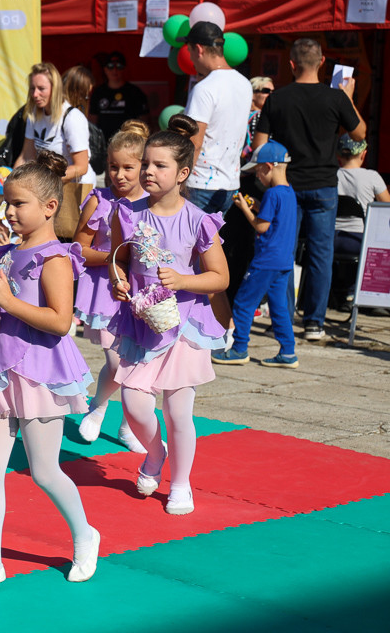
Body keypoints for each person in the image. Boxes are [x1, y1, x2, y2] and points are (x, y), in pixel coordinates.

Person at [0, 153, 99, 591]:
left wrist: (5, 300)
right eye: (7, 202)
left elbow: (60, 320)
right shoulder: (3, 255)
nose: (9, 211)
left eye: (18, 203)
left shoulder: (56, 257)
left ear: (49, 207)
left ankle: (85, 534)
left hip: (42, 372)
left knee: (44, 470)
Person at [109, 114, 229, 516]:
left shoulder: (198, 220)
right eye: (146, 164)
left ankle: (181, 484)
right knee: (133, 403)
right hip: (143, 323)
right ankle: (155, 453)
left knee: (179, 411)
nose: (148, 172)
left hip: (186, 326)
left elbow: (220, 277)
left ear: (183, 173)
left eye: (159, 165)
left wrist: (181, 280)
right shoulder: (128, 213)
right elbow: (118, 260)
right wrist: (119, 282)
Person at [254, 38, 367, 342]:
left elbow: (259, 146)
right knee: (321, 254)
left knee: (284, 254)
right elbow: (360, 133)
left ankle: (284, 320)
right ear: (323, 62)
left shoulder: (278, 99)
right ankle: (315, 323)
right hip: (324, 186)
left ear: (291, 64)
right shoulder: (336, 97)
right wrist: (349, 98)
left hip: (287, 184)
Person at [74, 120, 150, 453]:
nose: (118, 175)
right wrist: (114, 257)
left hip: (143, 293)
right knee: (119, 361)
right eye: (113, 167)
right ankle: (99, 408)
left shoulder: (154, 202)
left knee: (145, 364)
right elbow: (79, 248)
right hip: (105, 291)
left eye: (127, 168)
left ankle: (127, 425)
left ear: (143, 168)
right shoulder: (98, 201)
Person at [213, 141, 299, 369]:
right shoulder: (288, 192)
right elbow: (275, 216)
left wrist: (245, 209)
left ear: (269, 167)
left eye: (258, 170)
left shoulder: (271, 193)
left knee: (243, 303)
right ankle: (288, 352)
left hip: (266, 260)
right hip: (283, 261)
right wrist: (254, 204)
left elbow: (261, 227)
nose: (257, 176)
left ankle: (239, 349)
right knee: (279, 307)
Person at [181, 23, 253, 215]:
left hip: (200, 182)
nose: (191, 60)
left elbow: (195, 142)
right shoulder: (244, 83)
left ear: (198, 49)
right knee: (211, 244)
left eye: (190, 51)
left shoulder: (205, 88)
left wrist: (179, 180)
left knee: (189, 243)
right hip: (229, 183)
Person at [16, 62, 94, 185]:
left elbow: (81, 167)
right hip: (49, 186)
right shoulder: (34, 114)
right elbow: (26, 157)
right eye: (32, 88)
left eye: (41, 89)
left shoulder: (71, 118)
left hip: (75, 188)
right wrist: (12, 180)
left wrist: (45, 181)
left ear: (55, 88)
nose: (35, 94)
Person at [335, 135, 388, 256]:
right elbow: (387, 207)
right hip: (359, 240)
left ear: (338, 155)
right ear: (364, 154)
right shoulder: (372, 177)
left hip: (329, 239)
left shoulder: (330, 176)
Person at [88, 51, 149, 143]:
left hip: (130, 144)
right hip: (104, 146)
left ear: (124, 69)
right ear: (105, 69)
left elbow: (145, 122)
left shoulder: (135, 92)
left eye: (119, 66)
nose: (115, 70)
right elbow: (92, 123)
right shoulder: (98, 93)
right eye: (110, 66)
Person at [244, 77, 274, 160]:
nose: (271, 95)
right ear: (252, 94)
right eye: (266, 91)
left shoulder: (242, 114)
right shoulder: (260, 116)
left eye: (273, 92)